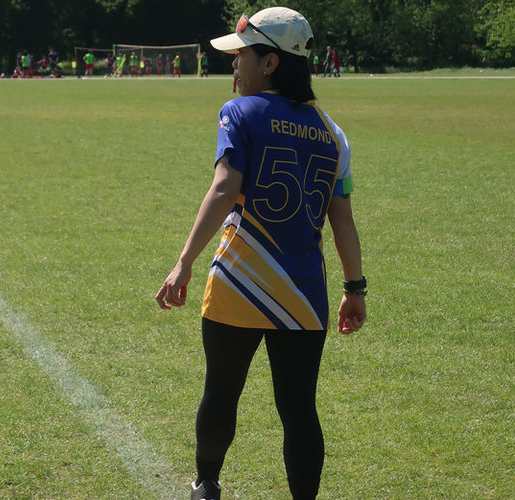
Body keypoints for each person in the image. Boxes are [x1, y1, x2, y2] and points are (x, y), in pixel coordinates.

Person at [154, 7, 366, 500]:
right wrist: (354, 288)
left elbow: (224, 188)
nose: (235, 65)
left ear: (270, 63)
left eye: (243, 55)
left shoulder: (239, 112)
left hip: (237, 282)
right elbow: (343, 220)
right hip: (304, 292)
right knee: (299, 409)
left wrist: (184, 262)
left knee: (221, 391)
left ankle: (206, 485)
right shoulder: (334, 134)